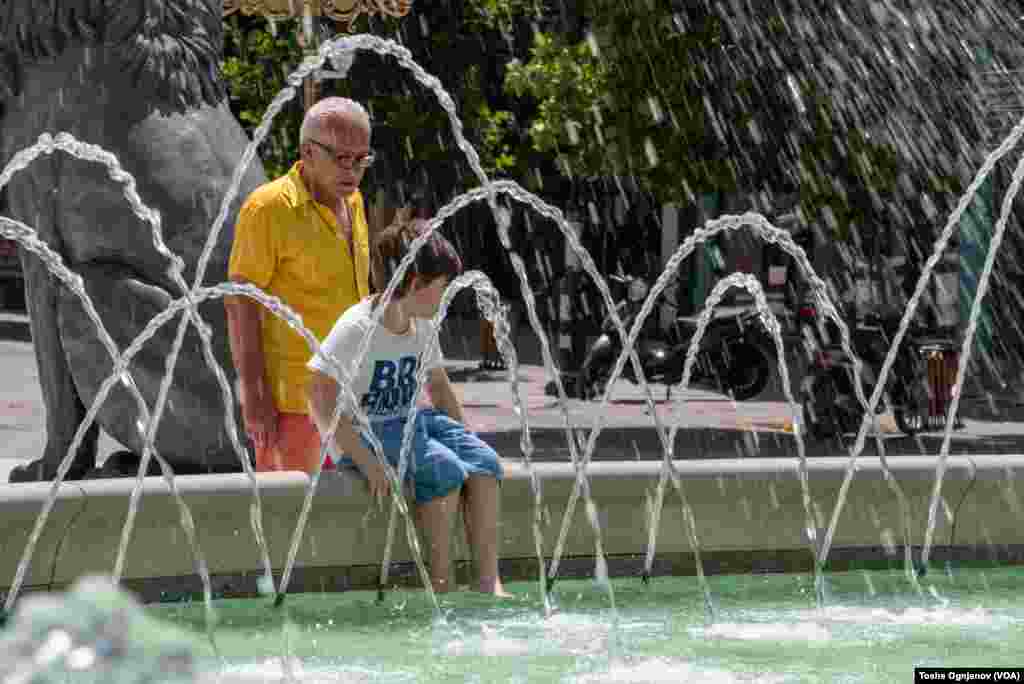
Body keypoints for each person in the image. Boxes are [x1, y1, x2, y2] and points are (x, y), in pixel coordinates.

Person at [305, 220, 509, 596]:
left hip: (409, 424)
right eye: (441, 287)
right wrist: (366, 461)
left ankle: (488, 580)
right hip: (365, 433)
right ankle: (441, 583)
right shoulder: (357, 328)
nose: (446, 295)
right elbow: (319, 397)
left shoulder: (421, 325)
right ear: (414, 284)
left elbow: (440, 390)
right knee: (445, 469)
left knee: (485, 464)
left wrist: (465, 437)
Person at [226, 97, 373, 474]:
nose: (353, 171)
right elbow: (241, 304)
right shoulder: (269, 208)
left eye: (361, 160)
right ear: (308, 152)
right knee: (290, 521)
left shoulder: (353, 202)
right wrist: (254, 397)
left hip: (352, 395)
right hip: (294, 402)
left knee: (346, 518)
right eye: (342, 159)